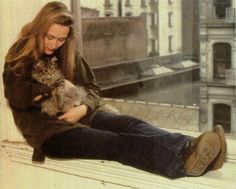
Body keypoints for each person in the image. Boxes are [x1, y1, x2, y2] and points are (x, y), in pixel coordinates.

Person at [2, 1, 227, 178]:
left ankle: (192, 148)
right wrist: (55, 87)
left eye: (61, 39)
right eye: (49, 37)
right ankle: (184, 161)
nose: (54, 44)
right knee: (114, 142)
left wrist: (83, 109)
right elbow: (18, 96)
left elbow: (92, 88)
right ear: (38, 29)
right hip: (50, 134)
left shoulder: (66, 53)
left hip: (82, 117)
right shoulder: (19, 56)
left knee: (130, 124)